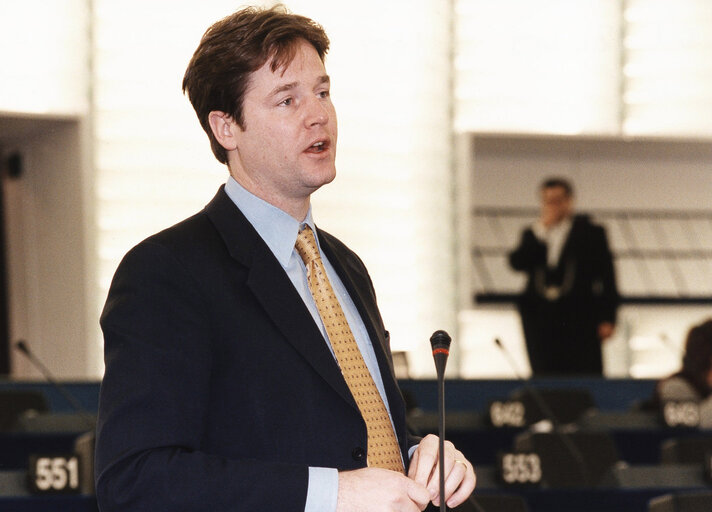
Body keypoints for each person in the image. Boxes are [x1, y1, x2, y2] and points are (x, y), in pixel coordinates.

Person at [94, 5, 475, 512]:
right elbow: (136, 480)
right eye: (287, 100)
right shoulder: (167, 272)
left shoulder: (347, 266)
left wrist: (421, 457)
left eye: (322, 91)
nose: (318, 114)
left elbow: (357, 438)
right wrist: (330, 494)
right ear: (226, 128)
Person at [508, 177, 619, 376]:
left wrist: (608, 318)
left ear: (569, 201)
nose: (553, 206)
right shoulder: (533, 233)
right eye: (548, 201)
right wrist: (542, 233)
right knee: (545, 372)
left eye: (558, 200)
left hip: (579, 315)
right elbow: (517, 263)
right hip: (541, 316)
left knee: (583, 370)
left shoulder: (591, 233)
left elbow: (607, 276)